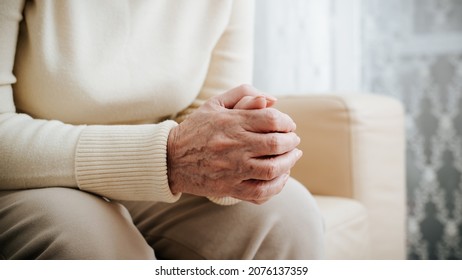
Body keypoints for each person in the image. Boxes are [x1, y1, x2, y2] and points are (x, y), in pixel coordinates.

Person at [0, 0, 324, 259]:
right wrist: (170, 157)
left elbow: (209, 112)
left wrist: (237, 164)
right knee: (87, 240)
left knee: (288, 216)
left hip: (150, 178)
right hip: (30, 177)